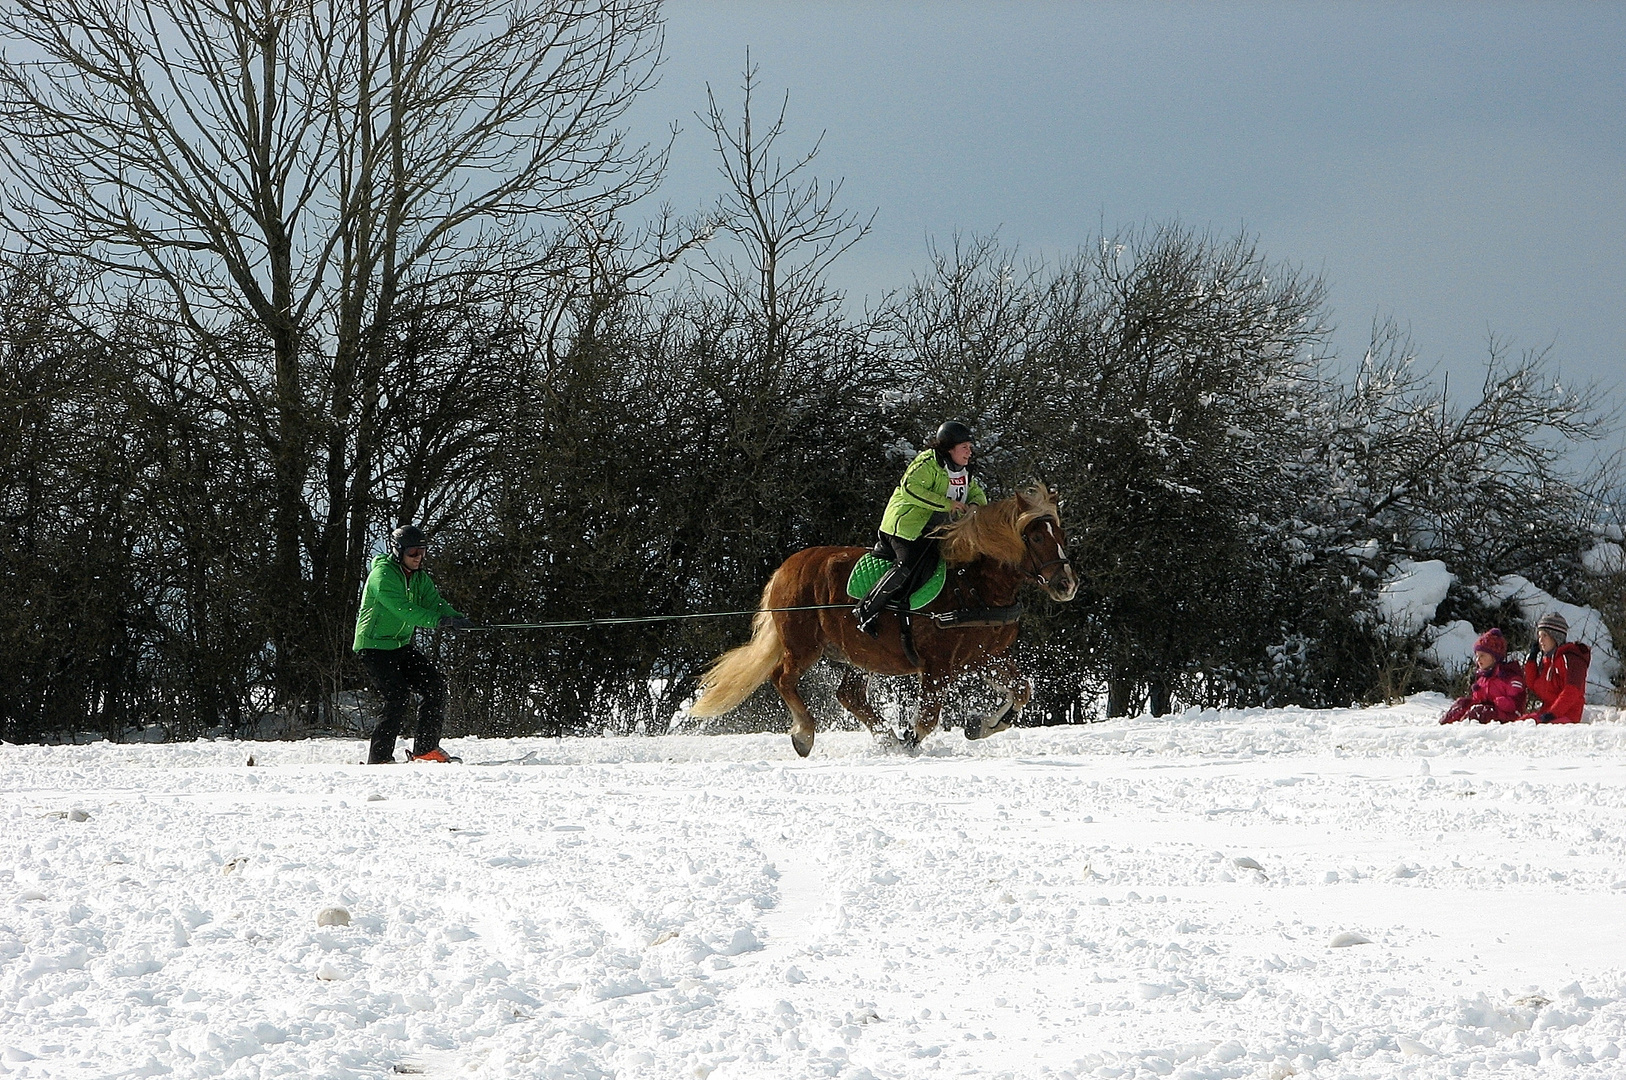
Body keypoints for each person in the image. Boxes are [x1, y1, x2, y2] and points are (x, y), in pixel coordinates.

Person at [853, 420, 988, 636]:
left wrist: (974, 505)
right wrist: (948, 504)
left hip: (934, 531)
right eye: (965, 447)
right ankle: (866, 609)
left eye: (970, 448)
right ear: (949, 448)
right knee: (908, 564)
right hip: (904, 528)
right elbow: (910, 489)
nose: (969, 453)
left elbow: (976, 492)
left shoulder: (963, 470)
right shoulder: (927, 463)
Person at [352, 524, 473, 763]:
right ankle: (379, 758)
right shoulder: (382, 575)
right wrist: (441, 621)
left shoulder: (419, 578)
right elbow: (403, 611)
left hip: (399, 646)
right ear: (398, 551)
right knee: (397, 696)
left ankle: (426, 750)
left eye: (422, 552)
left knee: (435, 686)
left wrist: (458, 619)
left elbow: (435, 604)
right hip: (373, 646)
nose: (419, 558)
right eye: (413, 553)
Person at [1439, 628, 1526, 724]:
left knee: (1478, 712)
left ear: (1494, 657)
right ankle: (1445, 725)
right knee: (1462, 704)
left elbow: (1516, 705)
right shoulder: (1482, 679)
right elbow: (1477, 700)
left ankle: (1463, 726)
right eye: (1477, 656)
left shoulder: (1509, 677)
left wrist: (1499, 702)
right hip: (1488, 713)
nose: (1478, 660)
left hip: (1506, 717)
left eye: (1482, 656)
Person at [1519, 611, 1591, 724]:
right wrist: (1531, 660)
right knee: (1519, 723)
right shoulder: (1548, 660)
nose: (1540, 641)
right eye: (1539, 636)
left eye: (1544, 635)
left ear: (1555, 636)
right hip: (1547, 712)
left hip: (1567, 715)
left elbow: (1572, 691)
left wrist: (1553, 713)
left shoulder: (1571, 659)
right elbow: (1534, 685)